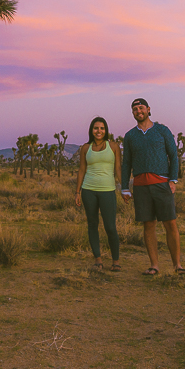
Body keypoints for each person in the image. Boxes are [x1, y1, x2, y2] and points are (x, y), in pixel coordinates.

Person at [120, 98, 185, 276]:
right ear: (132, 113)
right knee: (148, 225)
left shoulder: (162, 130)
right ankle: (154, 265)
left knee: (170, 223)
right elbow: (126, 163)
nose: (138, 111)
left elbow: (173, 155)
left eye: (141, 108)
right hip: (141, 186)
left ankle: (177, 265)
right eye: (135, 109)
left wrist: (173, 179)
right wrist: (124, 187)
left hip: (161, 184)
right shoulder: (130, 136)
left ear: (149, 109)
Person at [75, 116, 123, 271]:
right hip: (88, 190)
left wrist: (124, 188)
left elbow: (118, 169)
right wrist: (77, 192)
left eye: (102, 128)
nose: (99, 131)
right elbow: (82, 170)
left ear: (106, 130)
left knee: (110, 226)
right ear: (91, 130)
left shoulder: (113, 146)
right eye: (96, 128)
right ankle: (98, 259)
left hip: (107, 191)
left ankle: (115, 260)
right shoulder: (85, 148)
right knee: (92, 224)